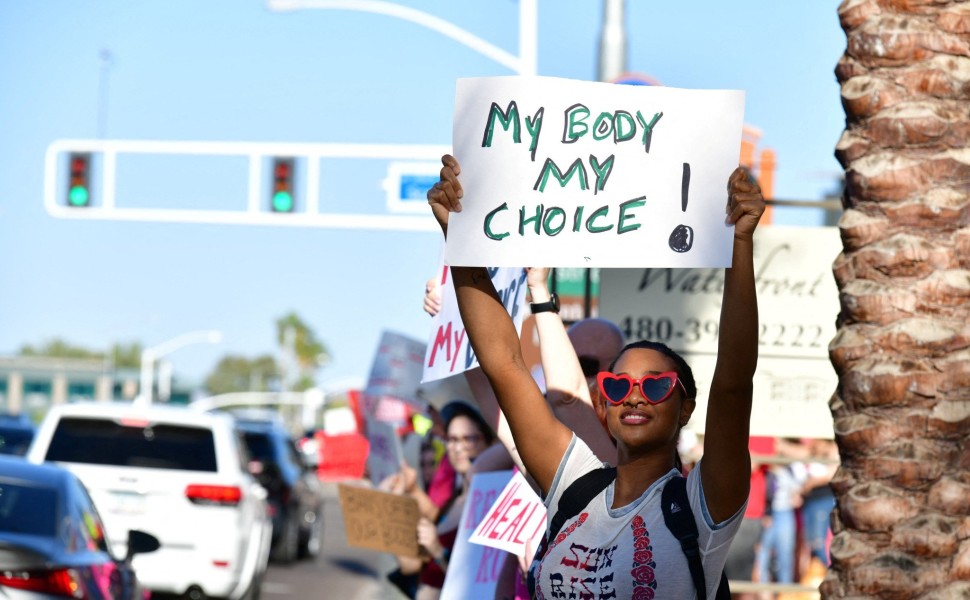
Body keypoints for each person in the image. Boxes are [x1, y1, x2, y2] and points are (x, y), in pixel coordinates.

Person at [426, 153, 766, 598]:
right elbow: (503, 364)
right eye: (618, 385)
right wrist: (461, 235)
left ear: (686, 407)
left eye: (657, 385)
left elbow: (734, 381)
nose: (635, 397)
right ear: (602, 406)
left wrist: (741, 243)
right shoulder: (573, 484)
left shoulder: (701, 507)